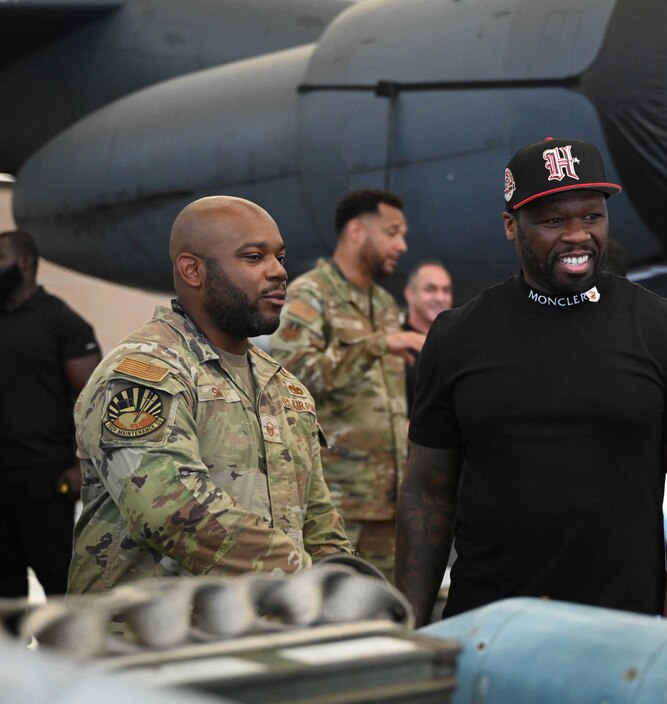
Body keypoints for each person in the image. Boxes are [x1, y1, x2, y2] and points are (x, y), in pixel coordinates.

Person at [396, 137, 667, 625]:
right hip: (487, 626)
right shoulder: (457, 336)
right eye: (554, 221)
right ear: (511, 226)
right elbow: (428, 490)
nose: (577, 235)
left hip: (622, 631)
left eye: (592, 217)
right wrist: (408, 630)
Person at [68, 196, 353, 594]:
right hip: (148, 642)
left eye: (280, 257)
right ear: (193, 270)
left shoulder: (285, 388)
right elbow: (169, 510)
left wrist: (345, 585)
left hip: (256, 637)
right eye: (254, 257)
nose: (278, 272)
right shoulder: (145, 373)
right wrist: (309, 580)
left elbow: (317, 518)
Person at [269, 189, 424, 582]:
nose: (402, 245)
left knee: (384, 611)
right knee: (333, 615)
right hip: (334, 506)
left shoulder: (385, 304)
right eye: (392, 232)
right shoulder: (310, 294)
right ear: (356, 230)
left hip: (387, 501)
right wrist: (377, 345)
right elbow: (290, 378)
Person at [0, 231, 101, 598]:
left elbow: (94, 401)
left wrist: (81, 467)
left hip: (45, 479)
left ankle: (66, 656)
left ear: (23, 263)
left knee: (58, 579)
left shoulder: (61, 321)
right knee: (5, 588)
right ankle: (12, 658)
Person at [401, 259, 453, 415]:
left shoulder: (457, 344)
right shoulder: (395, 344)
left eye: (446, 290)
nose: (440, 297)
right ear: (410, 294)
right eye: (430, 289)